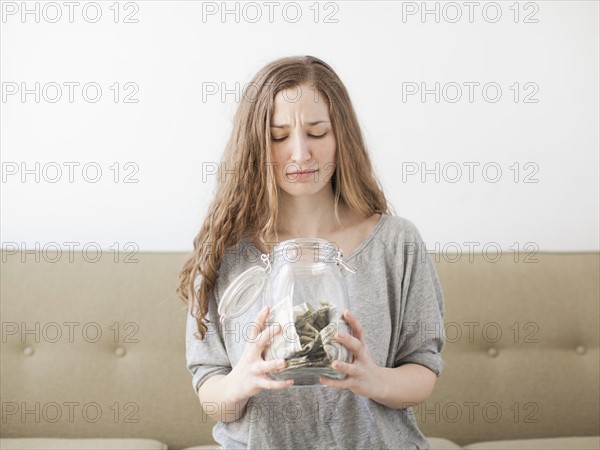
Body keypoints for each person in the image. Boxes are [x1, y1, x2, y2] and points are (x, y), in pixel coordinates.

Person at [178, 55, 445, 449]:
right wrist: (242, 382)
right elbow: (212, 394)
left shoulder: (397, 243)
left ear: (342, 137)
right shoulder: (224, 248)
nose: (301, 154)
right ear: (254, 145)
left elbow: (423, 369)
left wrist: (375, 380)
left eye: (317, 133)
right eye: (279, 136)